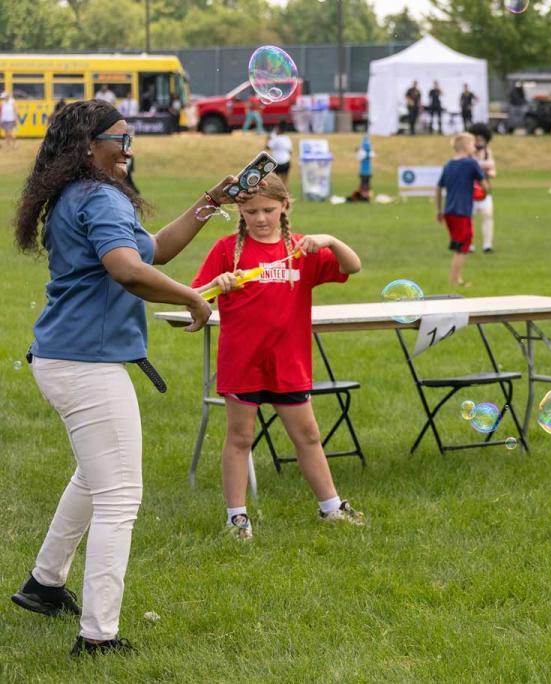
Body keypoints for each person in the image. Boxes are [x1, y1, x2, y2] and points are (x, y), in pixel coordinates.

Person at [10, 100, 248, 656]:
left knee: (94, 479)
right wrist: (192, 295)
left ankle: (44, 585)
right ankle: (98, 637)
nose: (129, 148)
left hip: (65, 357)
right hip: (86, 364)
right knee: (120, 496)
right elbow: (126, 268)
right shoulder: (99, 197)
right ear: (87, 146)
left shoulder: (82, 195)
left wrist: (209, 203)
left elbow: (151, 250)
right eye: (120, 138)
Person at [191, 173, 365, 540]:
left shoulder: (302, 250)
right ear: (240, 210)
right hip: (243, 362)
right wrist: (216, 285)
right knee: (240, 438)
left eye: (268, 209)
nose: (260, 218)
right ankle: (236, 517)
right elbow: (195, 297)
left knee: (308, 436)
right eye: (250, 211)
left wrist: (331, 241)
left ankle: (331, 506)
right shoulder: (226, 249)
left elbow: (353, 267)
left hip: (289, 363)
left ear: (285, 206)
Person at [437, 133, 489, 287]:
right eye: (473, 144)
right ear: (466, 146)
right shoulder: (471, 163)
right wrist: (484, 192)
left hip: (449, 211)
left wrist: (439, 209)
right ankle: (455, 280)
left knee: (460, 243)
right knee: (463, 246)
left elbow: (439, 188)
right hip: (462, 211)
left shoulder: (448, 164)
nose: (475, 147)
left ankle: (456, 278)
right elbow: (484, 185)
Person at [469, 123, 498, 253]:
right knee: (469, 218)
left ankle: (487, 245)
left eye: (482, 139)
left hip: (484, 190)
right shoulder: (468, 154)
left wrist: (486, 171)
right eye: (477, 139)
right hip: (469, 191)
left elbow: (493, 172)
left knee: (487, 215)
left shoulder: (488, 153)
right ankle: (469, 245)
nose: (479, 142)